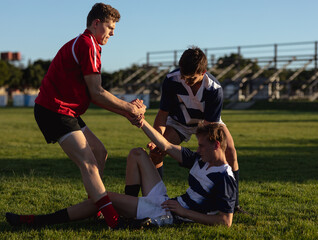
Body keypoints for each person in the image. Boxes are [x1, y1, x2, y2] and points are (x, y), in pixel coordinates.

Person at [33, 3, 146, 229]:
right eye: (110, 27)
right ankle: (113, 221)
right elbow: (97, 92)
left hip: (65, 110)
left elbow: (93, 96)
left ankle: (94, 207)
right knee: (89, 165)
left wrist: (126, 112)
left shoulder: (88, 43)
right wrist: (130, 109)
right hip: (54, 111)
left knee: (99, 152)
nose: (113, 32)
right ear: (96, 23)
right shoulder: (88, 44)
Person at [6, 120, 236, 228]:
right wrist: (140, 122)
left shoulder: (224, 179)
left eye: (203, 146)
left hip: (171, 213)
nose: (198, 149)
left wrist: (184, 211)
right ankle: (130, 213)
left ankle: (38, 221)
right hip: (168, 203)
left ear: (217, 145)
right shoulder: (201, 159)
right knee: (137, 153)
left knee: (103, 199)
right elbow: (165, 145)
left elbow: (225, 222)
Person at [148, 46, 240, 211]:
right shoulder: (171, 80)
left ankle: (233, 205)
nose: (185, 81)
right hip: (179, 123)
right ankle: (156, 198)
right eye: (183, 76)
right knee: (156, 152)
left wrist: (201, 151)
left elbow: (209, 128)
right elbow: (162, 115)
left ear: (203, 72)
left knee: (230, 152)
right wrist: (156, 139)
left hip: (207, 124)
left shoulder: (214, 89)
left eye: (191, 79)